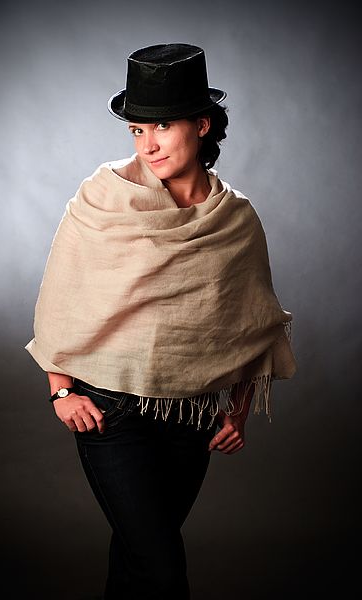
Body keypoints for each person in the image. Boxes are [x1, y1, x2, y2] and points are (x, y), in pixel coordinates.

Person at [25, 43, 296, 600]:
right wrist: (59, 394)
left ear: (201, 125)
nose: (147, 144)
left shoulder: (235, 218)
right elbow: (60, 297)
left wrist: (238, 411)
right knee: (161, 566)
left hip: (192, 416)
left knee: (137, 558)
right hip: (110, 413)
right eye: (136, 130)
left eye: (162, 126)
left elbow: (250, 321)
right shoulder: (103, 200)